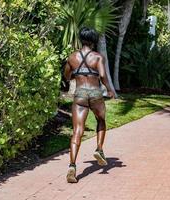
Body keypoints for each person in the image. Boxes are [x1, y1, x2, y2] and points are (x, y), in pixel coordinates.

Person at [64, 27, 115, 183]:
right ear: (93, 41)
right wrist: (110, 90)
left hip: (80, 95)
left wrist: (76, 75)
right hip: (95, 94)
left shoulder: (72, 57)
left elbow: (66, 76)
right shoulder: (98, 57)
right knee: (101, 120)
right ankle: (99, 149)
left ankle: (72, 166)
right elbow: (102, 76)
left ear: (81, 39)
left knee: (77, 131)